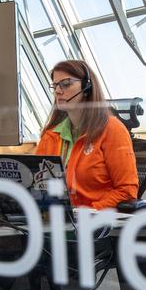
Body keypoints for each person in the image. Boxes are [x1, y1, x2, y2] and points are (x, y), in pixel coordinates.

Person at [35, 60, 138, 210]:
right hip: (58, 218)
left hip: (97, 219)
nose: (58, 91)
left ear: (87, 87)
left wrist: (87, 213)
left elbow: (126, 192)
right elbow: (37, 185)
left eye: (66, 84)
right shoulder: (51, 135)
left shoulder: (112, 129)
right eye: (55, 85)